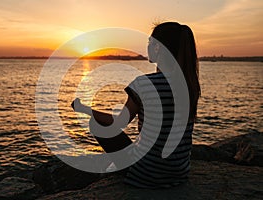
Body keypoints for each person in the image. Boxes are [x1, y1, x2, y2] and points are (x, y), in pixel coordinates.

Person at [71, 22, 201, 188]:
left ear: (158, 48)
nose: (147, 47)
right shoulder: (190, 85)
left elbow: (118, 123)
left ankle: (121, 168)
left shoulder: (144, 84)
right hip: (179, 173)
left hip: (146, 174)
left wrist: (84, 109)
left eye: (150, 43)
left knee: (97, 123)